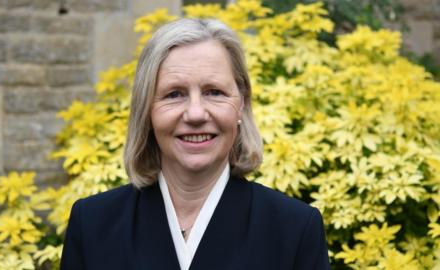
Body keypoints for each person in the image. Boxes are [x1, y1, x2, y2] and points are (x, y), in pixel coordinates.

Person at [60, 18, 330, 270]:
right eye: (174, 94)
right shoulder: (93, 224)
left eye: (214, 92)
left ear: (241, 104)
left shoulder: (295, 229)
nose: (196, 114)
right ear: (147, 109)